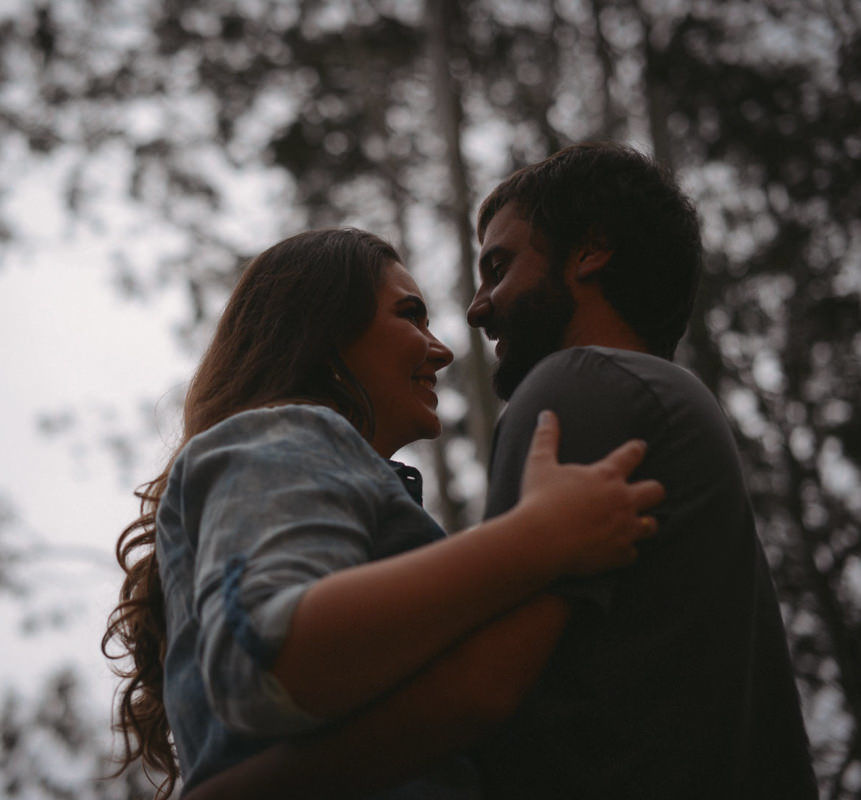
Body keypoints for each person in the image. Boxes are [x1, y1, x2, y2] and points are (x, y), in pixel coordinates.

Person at [182, 143, 817, 799]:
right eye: (411, 313)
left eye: (498, 266)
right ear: (323, 332)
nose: (474, 313)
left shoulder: (581, 385)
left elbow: (478, 696)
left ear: (589, 252)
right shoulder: (666, 409)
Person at [102, 226, 665, 798]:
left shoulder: (313, 472)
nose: (441, 349)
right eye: (410, 315)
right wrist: (538, 538)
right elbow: (266, 656)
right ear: (324, 331)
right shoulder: (285, 435)